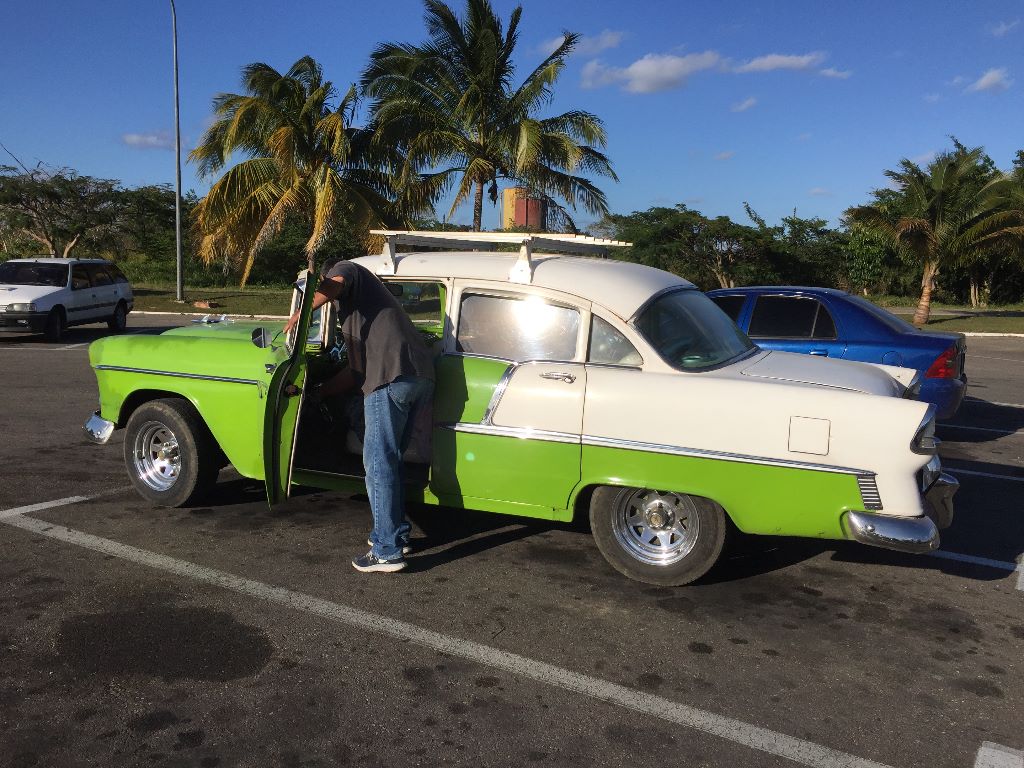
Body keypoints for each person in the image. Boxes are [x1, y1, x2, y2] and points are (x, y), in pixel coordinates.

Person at [284, 258, 435, 573]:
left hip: (389, 378)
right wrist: (321, 391)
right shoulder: (365, 312)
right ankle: (395, 534)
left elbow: (337, 282)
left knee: (377, 464)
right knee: (390, 462)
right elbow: (355, 374)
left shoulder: (348, 269)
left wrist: (300, 315)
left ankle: (387, 551)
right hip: (417, 377)